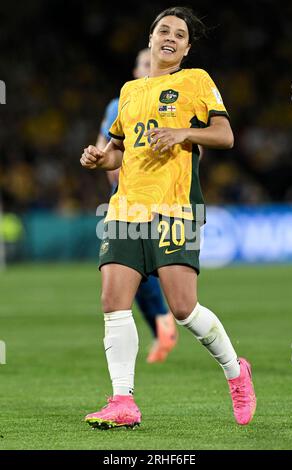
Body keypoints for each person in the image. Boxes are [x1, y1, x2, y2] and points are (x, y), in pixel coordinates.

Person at [81, 6, 256, 429]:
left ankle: (236, 373)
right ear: (151, 37)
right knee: (113, 301)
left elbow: (225, 135)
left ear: (187, 47)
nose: (171, 37)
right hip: (127, 207)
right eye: (164, 30)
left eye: (180, 34)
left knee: (183, 308)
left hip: (175, 207)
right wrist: (101, 158)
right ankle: (123, 401)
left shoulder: (196, 81)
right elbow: (120, 149)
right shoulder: (129, 91)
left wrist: (183, 133)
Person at [96, 48, 177, 364]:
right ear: (134, 70)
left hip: (165, 198)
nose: (148, 68)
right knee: (130, 271)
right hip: (127, 198)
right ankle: (162, 322)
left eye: (151, 63)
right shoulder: (121, 103)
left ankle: (166, 320)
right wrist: (112, 176)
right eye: (143, 64)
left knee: (154, 270)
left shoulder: (173, 102)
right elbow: (109, 147)